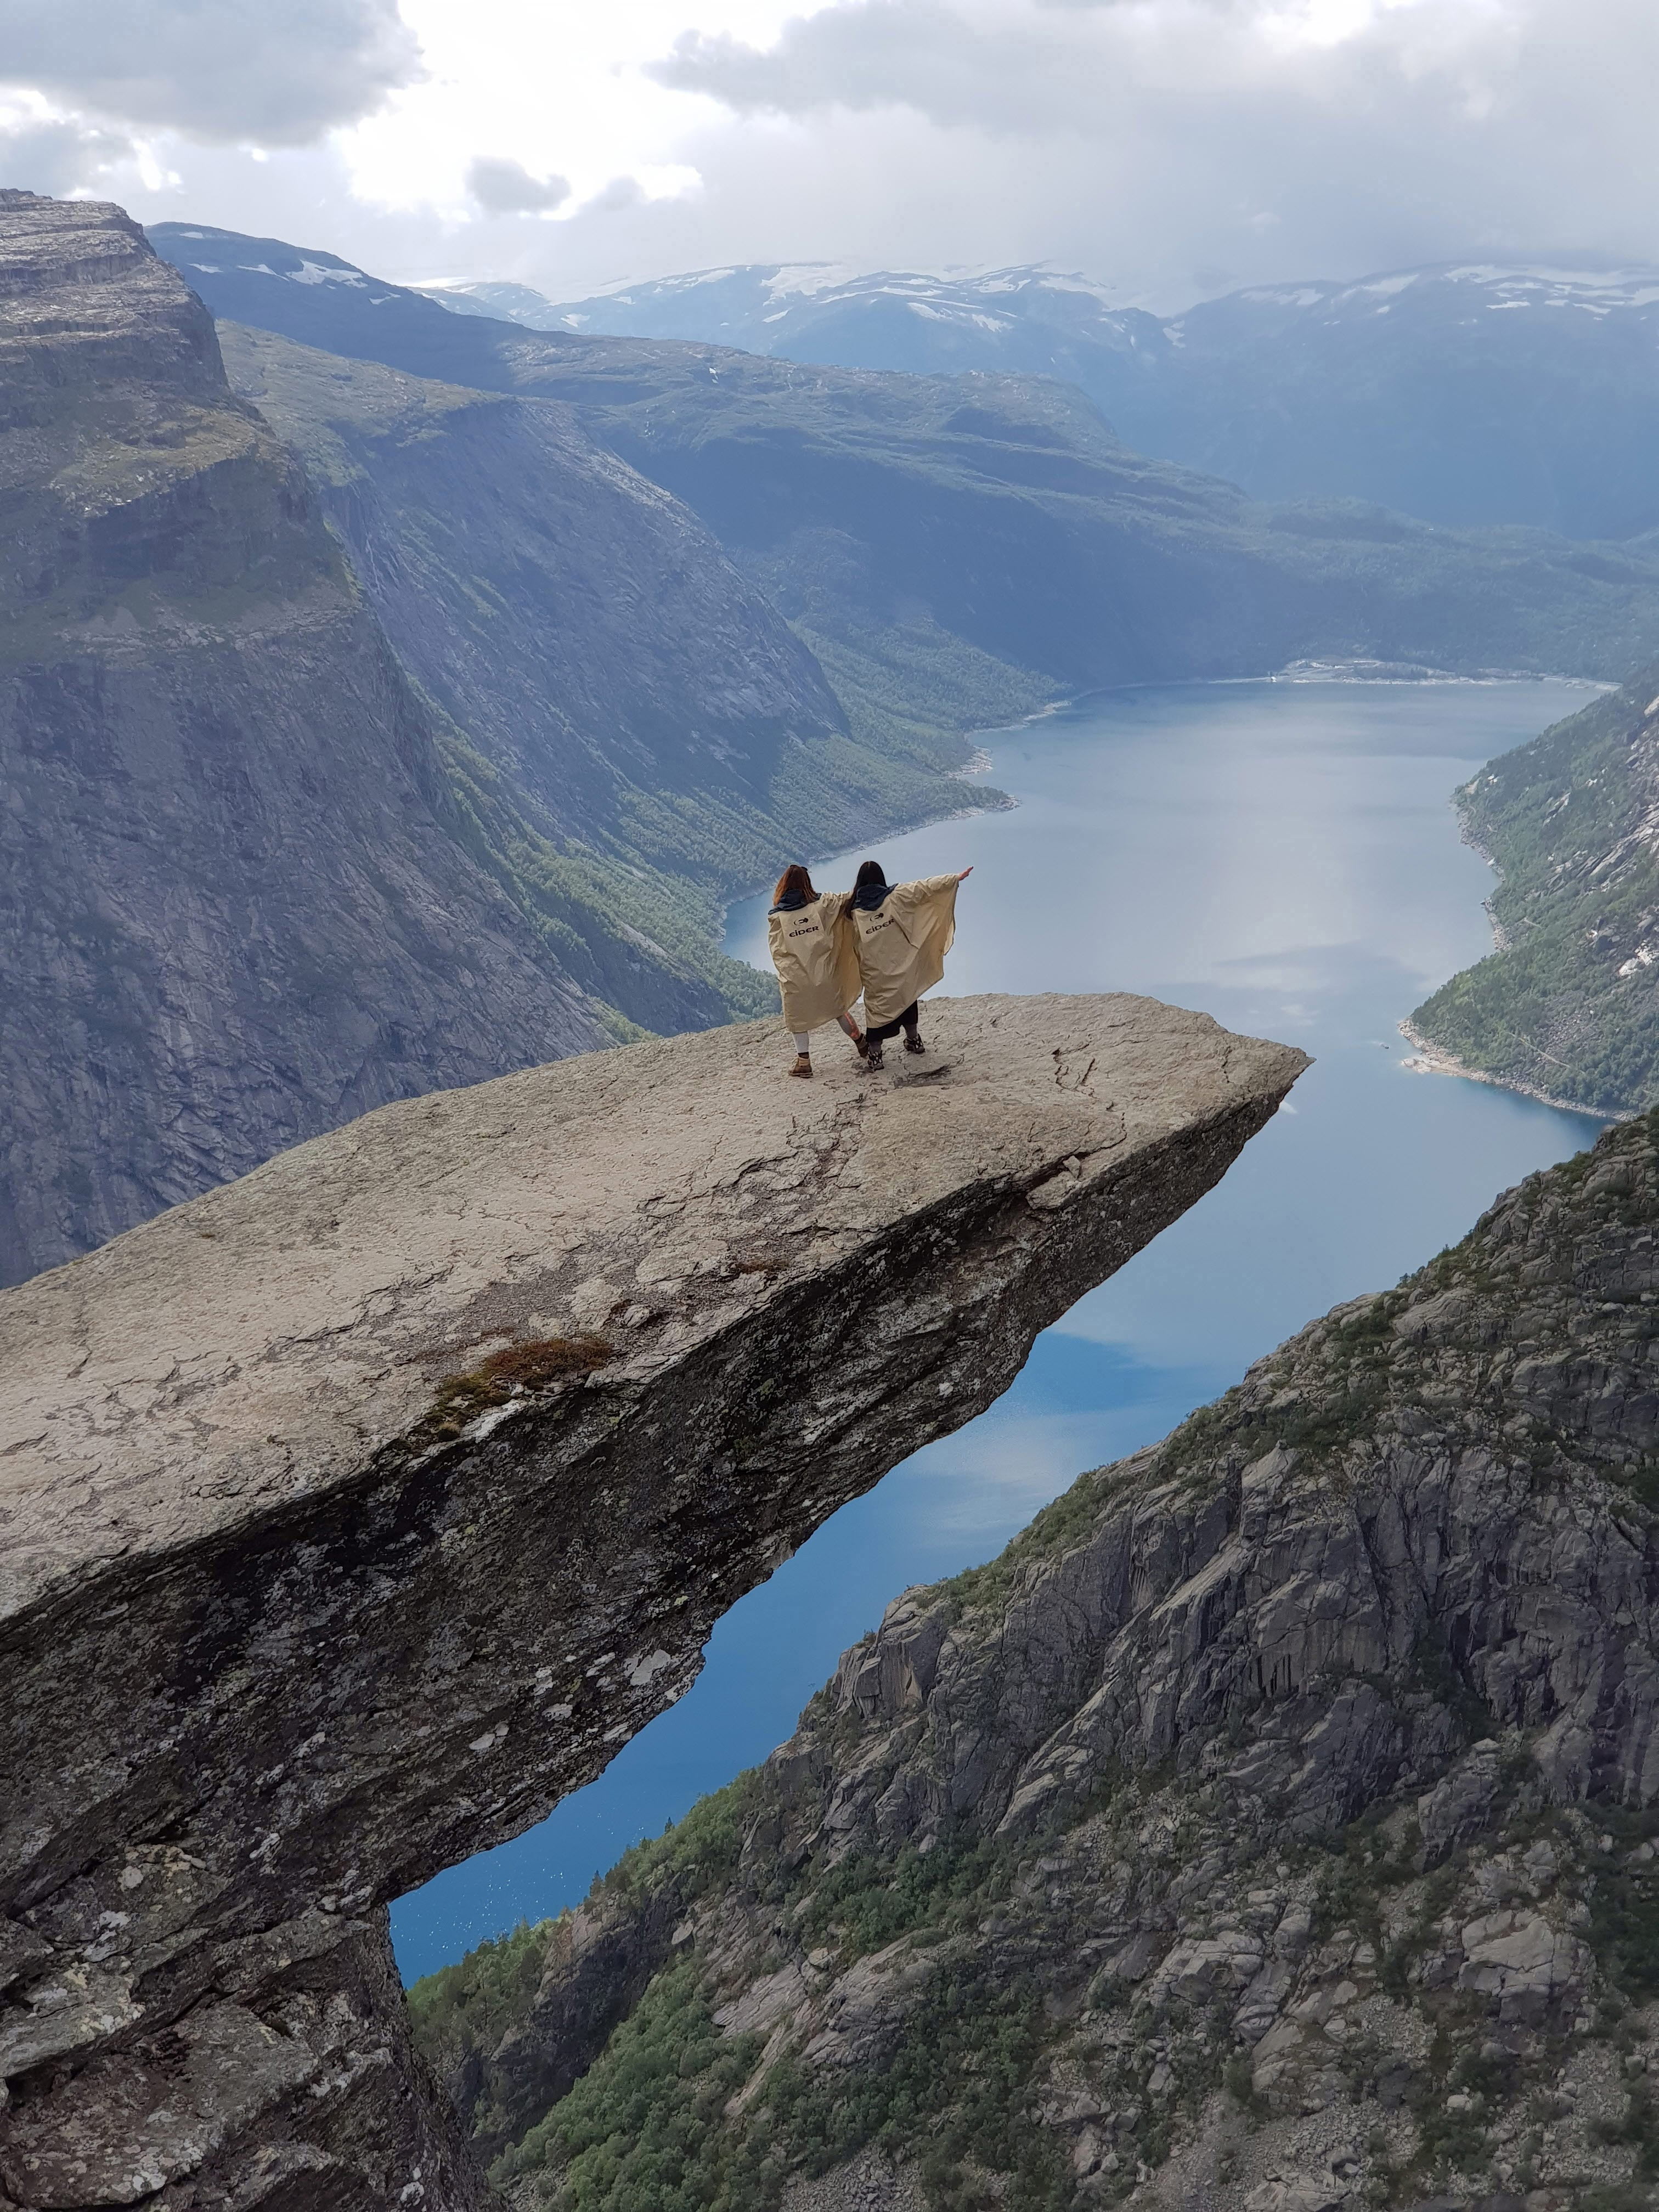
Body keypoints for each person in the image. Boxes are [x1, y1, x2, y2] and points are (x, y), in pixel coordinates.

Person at [848, 859, 973, 1070]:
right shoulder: (895, 897)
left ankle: (876, 1055)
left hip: (874, 970)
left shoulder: (852, 911)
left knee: (877, 1009)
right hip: (900, 963)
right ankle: (914, 1041)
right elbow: (923, 888)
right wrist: (953, 879)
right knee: (907, 997)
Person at [766, 863, 866, 1078]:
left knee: (797, 1019)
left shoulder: (777, 917)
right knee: (838, 1010)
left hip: (796, 978)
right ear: (806, 883)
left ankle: (804, 1062)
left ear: (783, 885)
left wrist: (788, 972)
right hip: (824, 974)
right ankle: (861, 1042)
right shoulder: (823, 905)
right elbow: (847, 900)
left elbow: (777, 950)